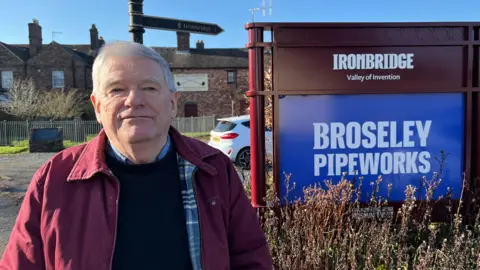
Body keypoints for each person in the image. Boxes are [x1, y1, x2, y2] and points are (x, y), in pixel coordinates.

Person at [0, 40, 273, 270]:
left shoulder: (213, 170)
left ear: (172, 102)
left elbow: (250, 258)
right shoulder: (54, 180)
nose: (134, 100)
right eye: (117, 89)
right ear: (97, 106)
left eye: (150, 87)